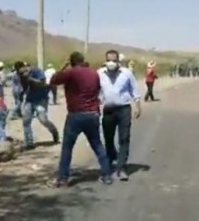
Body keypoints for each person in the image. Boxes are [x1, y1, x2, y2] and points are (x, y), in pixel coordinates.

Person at [49, 52, 112, 187]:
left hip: (76, 115)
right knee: (97, 145)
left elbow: (53, 80)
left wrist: (64, 66)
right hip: (93, 113)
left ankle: (63, 178)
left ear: (72, 62)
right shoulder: (94, 73)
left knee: (67, 147)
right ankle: (106, 175)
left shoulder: (71, 73)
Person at [98, 50, 141, 181]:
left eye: (114, 60)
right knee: (108, 138)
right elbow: (94, 90)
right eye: (109, 60)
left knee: (124, 137)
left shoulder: (127, 73)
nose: (111, 63)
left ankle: (121, 168)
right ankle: (111, 159)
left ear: (118, 61)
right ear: (105, 60)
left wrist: (138, 107)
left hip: (124, 109)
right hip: (108, 110)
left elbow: (135, 90)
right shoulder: (99, 73)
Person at [15, 61, 59, 150]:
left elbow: (42, 83)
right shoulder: (21, 75)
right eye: (19, 72)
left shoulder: (37, 71)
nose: (21, 73)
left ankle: (54, 132)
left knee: (43, 120)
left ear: (25, 67)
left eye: (22, 71)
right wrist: (22, 92)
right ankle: (29, 143)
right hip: (29, 100)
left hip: (41, 99)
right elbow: (25, 87)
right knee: (26, 121)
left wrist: (29, 78)